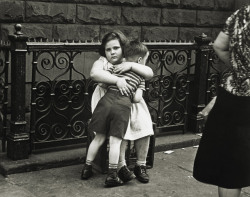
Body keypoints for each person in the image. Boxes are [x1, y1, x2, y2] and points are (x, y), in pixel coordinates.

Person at [81, 32, 153, 187]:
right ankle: (120, 166)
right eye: (108, 49)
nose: (112, 52)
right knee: (119, 132)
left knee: (144, 123)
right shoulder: (103, 61)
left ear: (123, 48)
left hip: (128, 101)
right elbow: (95, 74)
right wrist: (117, 80)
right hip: (108, 98)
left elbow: (148, 72)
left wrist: (132, 65)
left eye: (116, 48)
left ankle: (141, 164)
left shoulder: (131, 60)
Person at [193, 5, 250, 197]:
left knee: (230, 166)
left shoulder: (241, 14)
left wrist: (239, 70)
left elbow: (218, 45)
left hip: (233, 95)